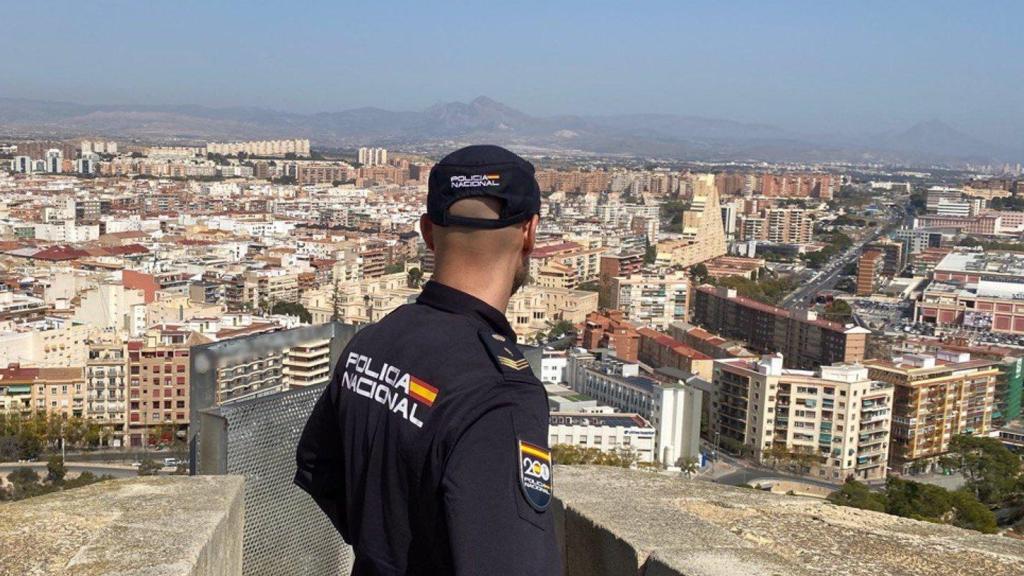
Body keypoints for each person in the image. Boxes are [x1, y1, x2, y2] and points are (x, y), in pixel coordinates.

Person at [295, 145, 561, 576]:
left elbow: (317, 467)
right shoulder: (500, 394)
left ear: (427, 232)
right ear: (530, 232)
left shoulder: (372, 343)